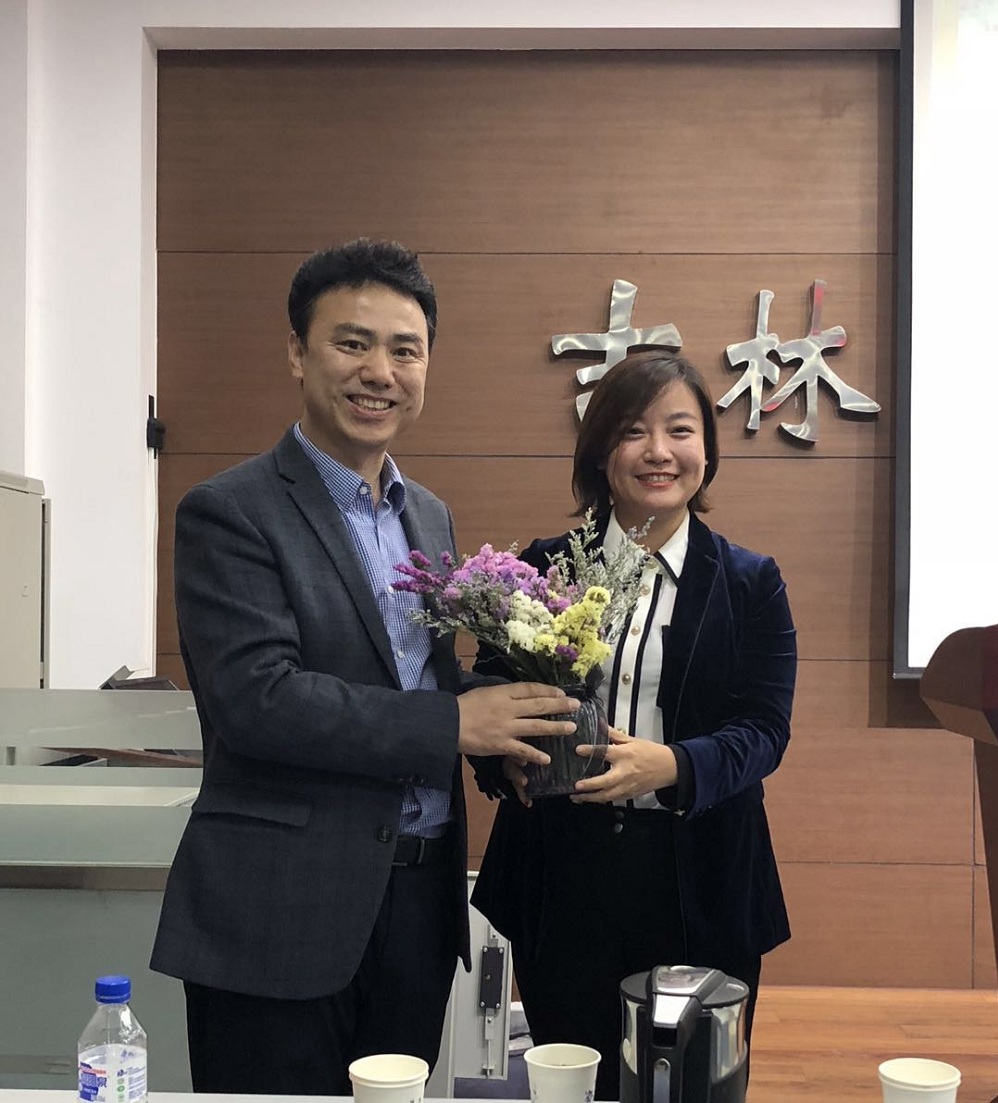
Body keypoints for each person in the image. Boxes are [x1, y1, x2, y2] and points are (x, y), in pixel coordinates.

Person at [149, 237, 579, 1096]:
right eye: (352, 343)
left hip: (417, 906)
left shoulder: (428, 514)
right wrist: (456, 723)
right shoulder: (230, 511)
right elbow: (259, 701)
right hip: (279, 910)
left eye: (405, 350)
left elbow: (416, 680)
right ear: (297, 351)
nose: (380, 371)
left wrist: (509, 733)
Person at [470, 349, 796, 1101]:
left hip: (700, 876)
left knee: (693, 1084)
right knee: (573, 1079)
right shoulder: (541, 569)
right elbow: (487, 701)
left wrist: (673, 765)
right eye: (633, 431)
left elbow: (764, 729)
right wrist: (507, 760)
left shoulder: (750, 582)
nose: (659, 451)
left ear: (705, 452)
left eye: (680, 430)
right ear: (600, 452)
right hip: (563, 876)